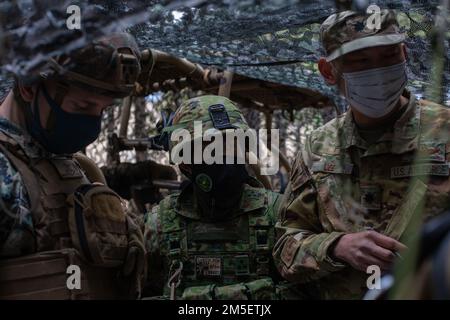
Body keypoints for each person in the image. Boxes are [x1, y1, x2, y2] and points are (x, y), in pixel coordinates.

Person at [273, 9, 450, 299]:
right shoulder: (318, 147)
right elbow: (284, 250)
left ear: (404, 53)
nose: (379, 72)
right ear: (328, 71)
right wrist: (336, 247)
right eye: (361, 61)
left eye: (389, 56)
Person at [0, 33, 146, 299]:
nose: (93, 125)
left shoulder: (71, 165)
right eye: (83, 105)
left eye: (103, 110)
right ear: (29, 86)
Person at [143, 95, 285, 300]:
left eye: (231, 145)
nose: (224, 155)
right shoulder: (161, 223)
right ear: (185, 164)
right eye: (210, 148)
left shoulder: (277, 214)